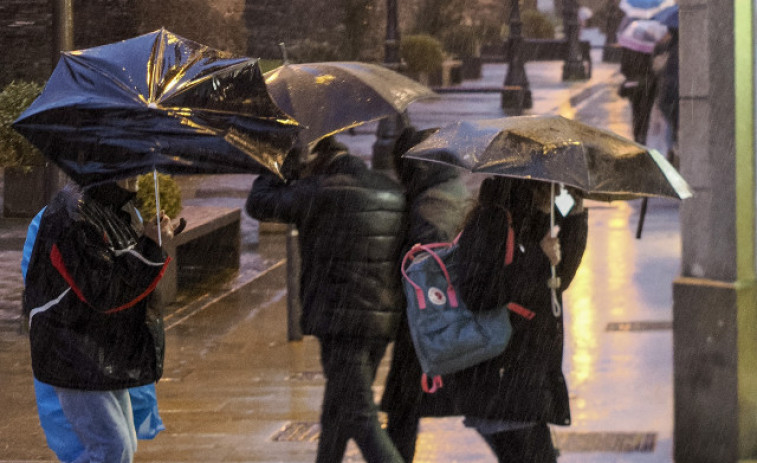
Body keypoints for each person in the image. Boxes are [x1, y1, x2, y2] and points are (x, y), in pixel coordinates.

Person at [245, 136, 406, 463]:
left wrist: (281, 160)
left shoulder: (317, 192)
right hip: (382, 321)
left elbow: (259, 202)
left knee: (360, 416)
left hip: (340, 323)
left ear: (317, 160)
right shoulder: (389, 189)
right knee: (338, 410)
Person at [23, 176, 176, 463]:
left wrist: (150, 240)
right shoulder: (71, 214)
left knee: (121, 446)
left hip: (102, 349)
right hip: (74, 353)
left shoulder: (116, 209)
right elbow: (104, 291)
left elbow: (121, 273)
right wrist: (150, 250)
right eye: (129, 165)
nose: (138, 174)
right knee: (112, 448)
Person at [449, 177, 588, 462]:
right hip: (501, 382)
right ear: (531, 185)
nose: (557, 194)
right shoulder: (491, 222)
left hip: (524, 381)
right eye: (553, 186)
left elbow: (559, 279)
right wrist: (538, 258)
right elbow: (477, 293)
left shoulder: (533, 221)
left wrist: (575, 214)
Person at [380, 127, 471, 462]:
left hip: (426, 320)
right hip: (437, 317)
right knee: (405, 408)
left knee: (404, 406)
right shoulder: (446, 188)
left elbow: (420, 269)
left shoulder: (430, 205)